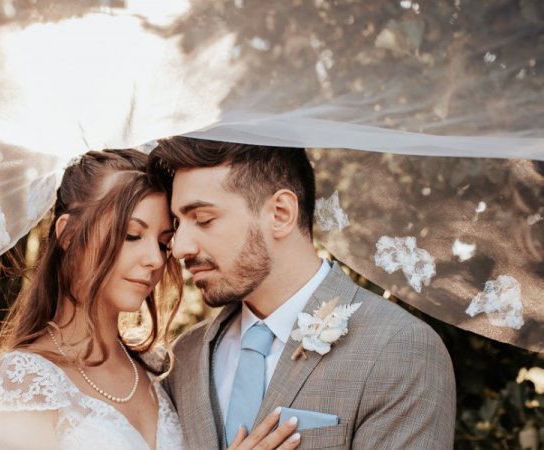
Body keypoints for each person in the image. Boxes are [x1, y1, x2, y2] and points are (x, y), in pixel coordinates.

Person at [0, 149, 300, 450]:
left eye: (162, 243)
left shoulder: (164, 373)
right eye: (131, 235)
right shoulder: (23, 382)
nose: (155, 260)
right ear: (69, 235)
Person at [148, 137, 456, 450]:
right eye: (177, 224)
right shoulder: (184, 357)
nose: (181, 247)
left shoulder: (398, 349)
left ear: (280, 213)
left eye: (203, 219)